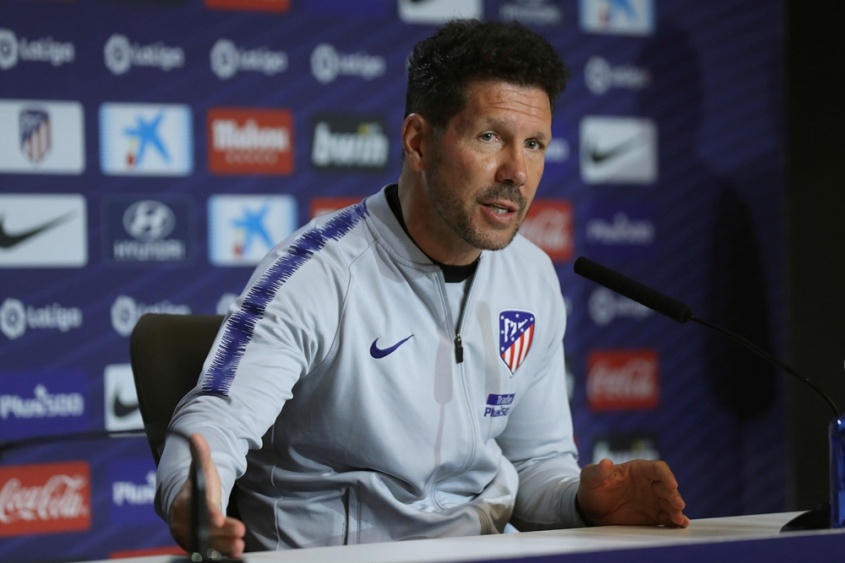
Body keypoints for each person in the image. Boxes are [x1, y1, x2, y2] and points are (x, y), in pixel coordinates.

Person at [156, 19, 689, 558]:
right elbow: (217, 415)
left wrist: (581, 502)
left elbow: (535, 464)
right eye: (490, 137)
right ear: (417, 141)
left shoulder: (531, 276)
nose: (517, 172)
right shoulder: (317, 271)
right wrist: (192, 495)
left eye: (534, 145)